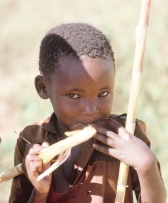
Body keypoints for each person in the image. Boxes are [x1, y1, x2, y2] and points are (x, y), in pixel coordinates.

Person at [9, 23, 166, 203]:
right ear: (43, 88)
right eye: (74, 95)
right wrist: (40, 193)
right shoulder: (31, 141)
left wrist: (147, 166)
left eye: (103, 94)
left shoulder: (127, 136)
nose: (91, 109)